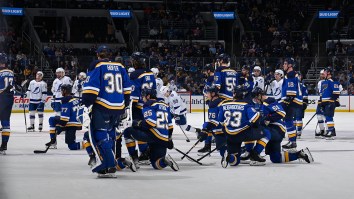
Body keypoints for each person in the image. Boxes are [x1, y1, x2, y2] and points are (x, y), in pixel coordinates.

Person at [82, 45, 132, 177]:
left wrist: (86, 104)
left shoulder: (96, 65)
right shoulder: (120, 66)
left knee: (99, 135)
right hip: (118, 107)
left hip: (102, 106)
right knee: (110, 134)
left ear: (98, 55)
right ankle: (110, 162)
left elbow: (91, 89)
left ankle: (109, 164)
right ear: (110, 55)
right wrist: (125, 105)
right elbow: (127, 89)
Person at [249, 87, 314, 164]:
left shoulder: (269, 101)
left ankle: (255, 154)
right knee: (276, 158)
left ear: (260, 95)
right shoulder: (260, 104)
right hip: (272, 131)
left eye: (256, 98)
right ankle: (300, 154)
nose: (255, 100)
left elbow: (282, 113)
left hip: (277, 129)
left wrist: (268, 119)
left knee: (264, 132)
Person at [123, 88, 179, 171]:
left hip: (153, 135)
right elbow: (170, 126)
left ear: (148, 96)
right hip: (163, 138)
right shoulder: (165, 105)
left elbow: (150, 123)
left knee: (127, 132)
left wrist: (136, 123)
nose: (142, 98)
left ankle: (134, 159)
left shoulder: (148, 104)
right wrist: (169, 139)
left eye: (143, 96)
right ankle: (165, 161)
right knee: (156, 164)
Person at [219, 85, 271, 167]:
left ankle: (230, 157)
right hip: (243, 134)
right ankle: (255, 154)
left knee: (235, 162)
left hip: (230, 136)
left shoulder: (224, 105)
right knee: (267, 133)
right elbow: (255, 118)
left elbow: (221, 121)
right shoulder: (246, 105)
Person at [126, 52, 156, 164]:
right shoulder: (151, 73)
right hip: (149, 106)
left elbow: (133, 95)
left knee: (131, 130)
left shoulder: (134, 74)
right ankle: (147, 152)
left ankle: (138, 154)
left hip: (137, 107)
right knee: (147, 129)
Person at [46, 84, 83, 150]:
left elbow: (64, 119)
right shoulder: (75, 99)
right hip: (78, 122)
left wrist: (59, 126)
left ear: (65, 91)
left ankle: (53, 142)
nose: (61, 92)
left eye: (62, 90)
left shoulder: (66, 101)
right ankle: (88, 143)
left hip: (71, 123)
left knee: (52, 119)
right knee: (72, 146)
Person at [280, 58, 302, 150]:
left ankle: (292, 142)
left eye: (285, 64)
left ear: (290, 65)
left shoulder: (291, 74)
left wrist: (286, 102)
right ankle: (292, 141)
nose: (283, 65)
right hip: (293, 101)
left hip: (292, 101)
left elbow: (291, 92)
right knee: (288, 120)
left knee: (288, 120)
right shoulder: (291, 74)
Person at [199, 86, 226, 156]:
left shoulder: (218, 103)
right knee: (206, 126)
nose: (206, 95)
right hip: (216, 126)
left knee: (221, 149)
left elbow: (218, 120)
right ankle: (207, 146)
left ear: (213, 93)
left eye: (208, 93)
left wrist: (205, 129)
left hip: (221, 128)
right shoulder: (213, 101)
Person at [319, 67, 340, 140]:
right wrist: (321, 103)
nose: (323, 73)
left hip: (330, 102)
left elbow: (336, 93)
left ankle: (331, 131)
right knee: (327, 117)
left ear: (328, 73)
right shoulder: (323, 82)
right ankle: (331, 131)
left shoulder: (333, 81)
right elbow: (322, 93)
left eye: (324, 72)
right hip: (325, 102)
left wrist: (331, 101)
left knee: (329, 117)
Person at [199, 64, 216, 153]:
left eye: (206, 70)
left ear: (209, 70)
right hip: (214, 101)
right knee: (211, 123)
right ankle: (208, 144)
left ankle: (208, 144)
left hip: (213, 103)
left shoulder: (211, 78)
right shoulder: (215, 77)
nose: (205, 72)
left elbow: (207, 90)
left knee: (210, 124)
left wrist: (205, 94)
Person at [0, 53, 14, 154]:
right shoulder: (11, 72)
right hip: (9, 98)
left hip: (1, 97)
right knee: (6, 122)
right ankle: (4, 145)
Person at [295, 72, 308, 138]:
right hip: (293, 104)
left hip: (299, 104)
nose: (298, 77)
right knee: (293, 118)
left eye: (299, 76)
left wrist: (305, 103)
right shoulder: (293, 84)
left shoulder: (302, 86)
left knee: (298, 118)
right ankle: (294, 132)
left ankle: (299, 132)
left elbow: (305, 97)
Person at [316, 69, 326, 138]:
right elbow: (320, 93)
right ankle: (322, 130)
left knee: (326, 117)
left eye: (322, 74)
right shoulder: (319, 82)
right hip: (321, 101)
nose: (321, 75)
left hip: (327, 101)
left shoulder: (329, 81)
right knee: (319, 116)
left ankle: (329, 131)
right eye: (321, 74)